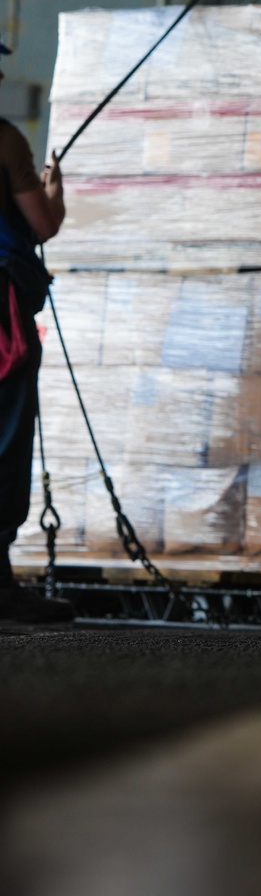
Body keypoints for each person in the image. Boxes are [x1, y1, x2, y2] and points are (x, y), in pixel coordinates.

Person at [0, 42, 74, 629]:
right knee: (4, 436)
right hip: (2, 315)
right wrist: (53, 189)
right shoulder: (6, 141)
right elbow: (42, 224)